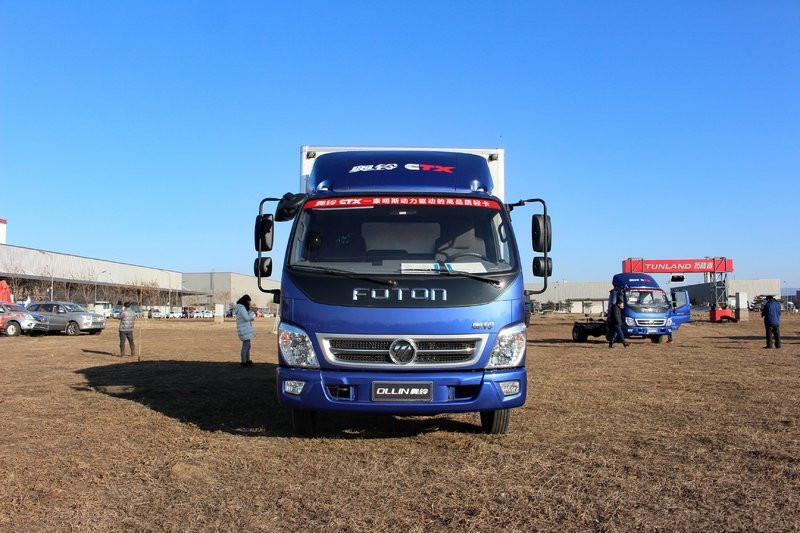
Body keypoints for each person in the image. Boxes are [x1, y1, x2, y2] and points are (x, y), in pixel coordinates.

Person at [235, 294, 256, 366]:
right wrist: (252, 312)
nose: (249, 303)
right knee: (246, 346)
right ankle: (244, 362)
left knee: (248, 345)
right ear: (246, 301)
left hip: (244, 329)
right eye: (249, 301)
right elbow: (246, 318)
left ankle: (247, 360)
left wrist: (250, 311)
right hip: (244, 330)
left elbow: (245, 317)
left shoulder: (240, 308)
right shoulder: (241, 308)